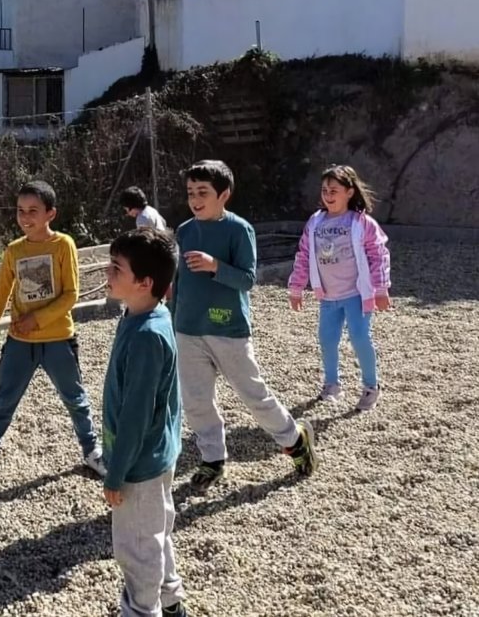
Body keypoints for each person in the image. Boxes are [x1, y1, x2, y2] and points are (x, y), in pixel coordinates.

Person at [172, 160, 317, 493]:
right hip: (187, 329)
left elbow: (247, 280)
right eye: (191, 192)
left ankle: (295, 441)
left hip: (228, 329)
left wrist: (215, 266)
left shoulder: (239, 230)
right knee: (196, 400)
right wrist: (170, 315)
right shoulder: (184, 230)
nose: (195, 198)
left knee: (253, 395)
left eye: (203, 192)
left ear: (224, 195)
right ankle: (212, 459)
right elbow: (177, 281)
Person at [0, 180, 107, 488]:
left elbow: (71, 294)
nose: (26, 217)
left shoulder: (63, 244)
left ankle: (92, 451)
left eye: (33, 211)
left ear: (50, 214)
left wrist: (37, 319)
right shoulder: (14, 251)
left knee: (75, 399)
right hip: (19, 344)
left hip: (58, 340)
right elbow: (0, 295)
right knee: (2, 402)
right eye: (21, 210)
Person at [101, 228, 188, 617]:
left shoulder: (146, 337)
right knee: (156, 533)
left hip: (138, 463)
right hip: (156, 455)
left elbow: (137, 414)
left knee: (137, 548)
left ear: (144, 282)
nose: (108, 272)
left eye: (117, 268)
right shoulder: (146, 314)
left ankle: (142, 609)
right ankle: (171, 603)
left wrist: (116, 473)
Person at [288, 164, 392, 412]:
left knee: (359, 337)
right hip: (328, 296)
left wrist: (380, 289)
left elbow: (378, 254)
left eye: (334, 190)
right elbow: (304, 254)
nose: (328, 195)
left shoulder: (361, 222)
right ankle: (332, 385)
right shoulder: (315, 222)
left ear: (349, 191)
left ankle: (370, 387)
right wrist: (296, 287)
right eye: (325, 190)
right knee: (326, 339)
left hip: (357, 294)